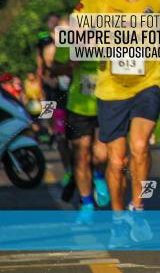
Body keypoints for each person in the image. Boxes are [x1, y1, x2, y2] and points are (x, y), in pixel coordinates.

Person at [72, 0, 160, 246]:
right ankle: (118, 218)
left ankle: (138, 209)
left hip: (149, 81)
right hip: (111, 88)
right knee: (116, 160)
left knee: (140, 146)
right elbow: (77, 24)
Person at [53, 43, 110, 223]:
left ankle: (99, 176)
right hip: (78, 105)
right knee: (81, 155)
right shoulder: (71, 35)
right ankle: (87, 204)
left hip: (107, 101)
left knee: (102, 154)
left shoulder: (111, 27)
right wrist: (69, 65)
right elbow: (53, 69)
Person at [36, 15, 75, 200]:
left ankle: (89, 171)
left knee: (81, 139)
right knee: (61, 136)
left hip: (78, 97)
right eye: (63, 31)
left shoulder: (80, 45)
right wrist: (46, 85)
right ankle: (68, 170)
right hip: (56, 96)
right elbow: (42, 69)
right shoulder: (47, 45)